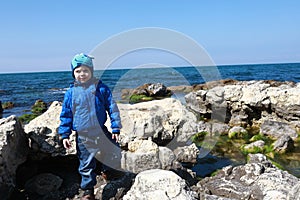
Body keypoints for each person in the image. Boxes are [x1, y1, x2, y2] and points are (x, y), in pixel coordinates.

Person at [58, 53, 122, 200]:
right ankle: (88, 191)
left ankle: (107, 171)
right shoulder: (71, 93)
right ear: (73, 73)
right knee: (86, 164)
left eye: (85, 71)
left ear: (91, 71)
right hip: (83, 135)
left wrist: (116, 127)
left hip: (101, 131)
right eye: (78, 71)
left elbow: (112, 108)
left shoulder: (101, 88)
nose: (82, 74)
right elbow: (66, 115)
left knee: (114, 150)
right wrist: (65, 134)